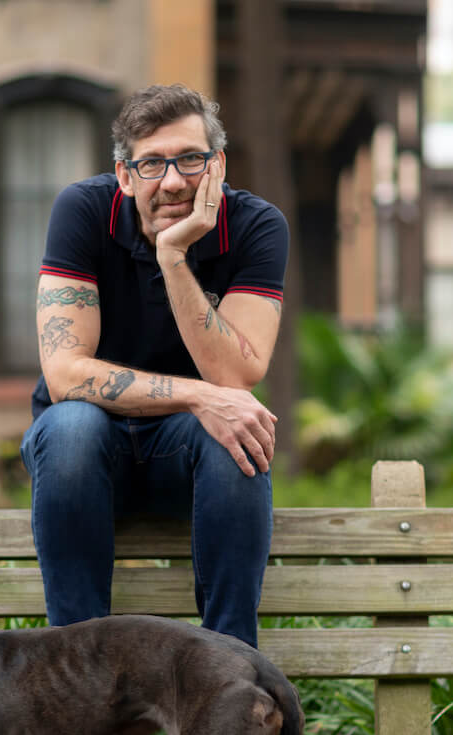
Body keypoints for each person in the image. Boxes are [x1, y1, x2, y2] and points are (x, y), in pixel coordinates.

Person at [21, 83, 285, 692]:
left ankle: (229, 688)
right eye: (151, 163)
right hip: (82, 462)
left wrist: (173, 258)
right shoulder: (83, 211)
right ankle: (84, 693)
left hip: (191, 459)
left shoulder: (256, 226)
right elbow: (65, 375)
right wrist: (194, 395)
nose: (172, 182)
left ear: (217, 165)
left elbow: (237, 377)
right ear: (123, 174)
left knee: (234, 427)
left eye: (190, 159)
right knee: (73, 425)